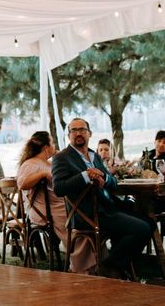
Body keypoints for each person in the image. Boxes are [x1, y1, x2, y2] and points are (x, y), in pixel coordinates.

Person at [52, 118, 153, 279]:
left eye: (82, 130)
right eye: (74, 130)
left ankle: (121, 264)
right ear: (69, 135)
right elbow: (58, 188)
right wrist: (85, 175)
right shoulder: (62, 158)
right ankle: (109, 266)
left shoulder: (94, 156)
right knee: (141, 228)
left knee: (149, 222)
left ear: (89, 133)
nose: (78, 133)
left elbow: (113, 183)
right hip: (87, 214)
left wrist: (104, 179)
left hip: (108, 207)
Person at [17, 131, 96, 273]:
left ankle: (94, 264)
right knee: (78, 223)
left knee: (89, 217)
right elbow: (22, 184)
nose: (54, 146)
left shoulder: (48, 162)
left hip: (59, 205)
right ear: (46, 146)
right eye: (52, 142)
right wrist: (42, 173)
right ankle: (81, 268)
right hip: (44, 210)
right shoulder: (31, 164)